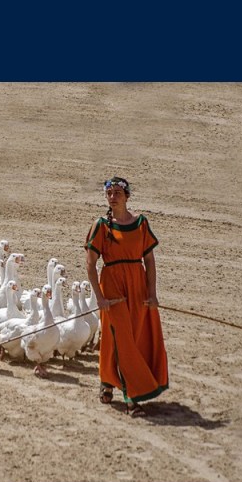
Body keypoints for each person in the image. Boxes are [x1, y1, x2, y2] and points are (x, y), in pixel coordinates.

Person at [85, 176, 169, 416]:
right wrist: (99, 297)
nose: (113, 197)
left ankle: (107, 380)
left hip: (138, 286)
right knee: (123, 339)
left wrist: (152, 293)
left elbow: (149, 260)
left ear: (127, 196)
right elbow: (90, 264)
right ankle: (132, 396)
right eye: (109, 193)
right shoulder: (101, 225)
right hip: (113, 288)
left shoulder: (141, 223)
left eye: (117, 193)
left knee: (131, 337)